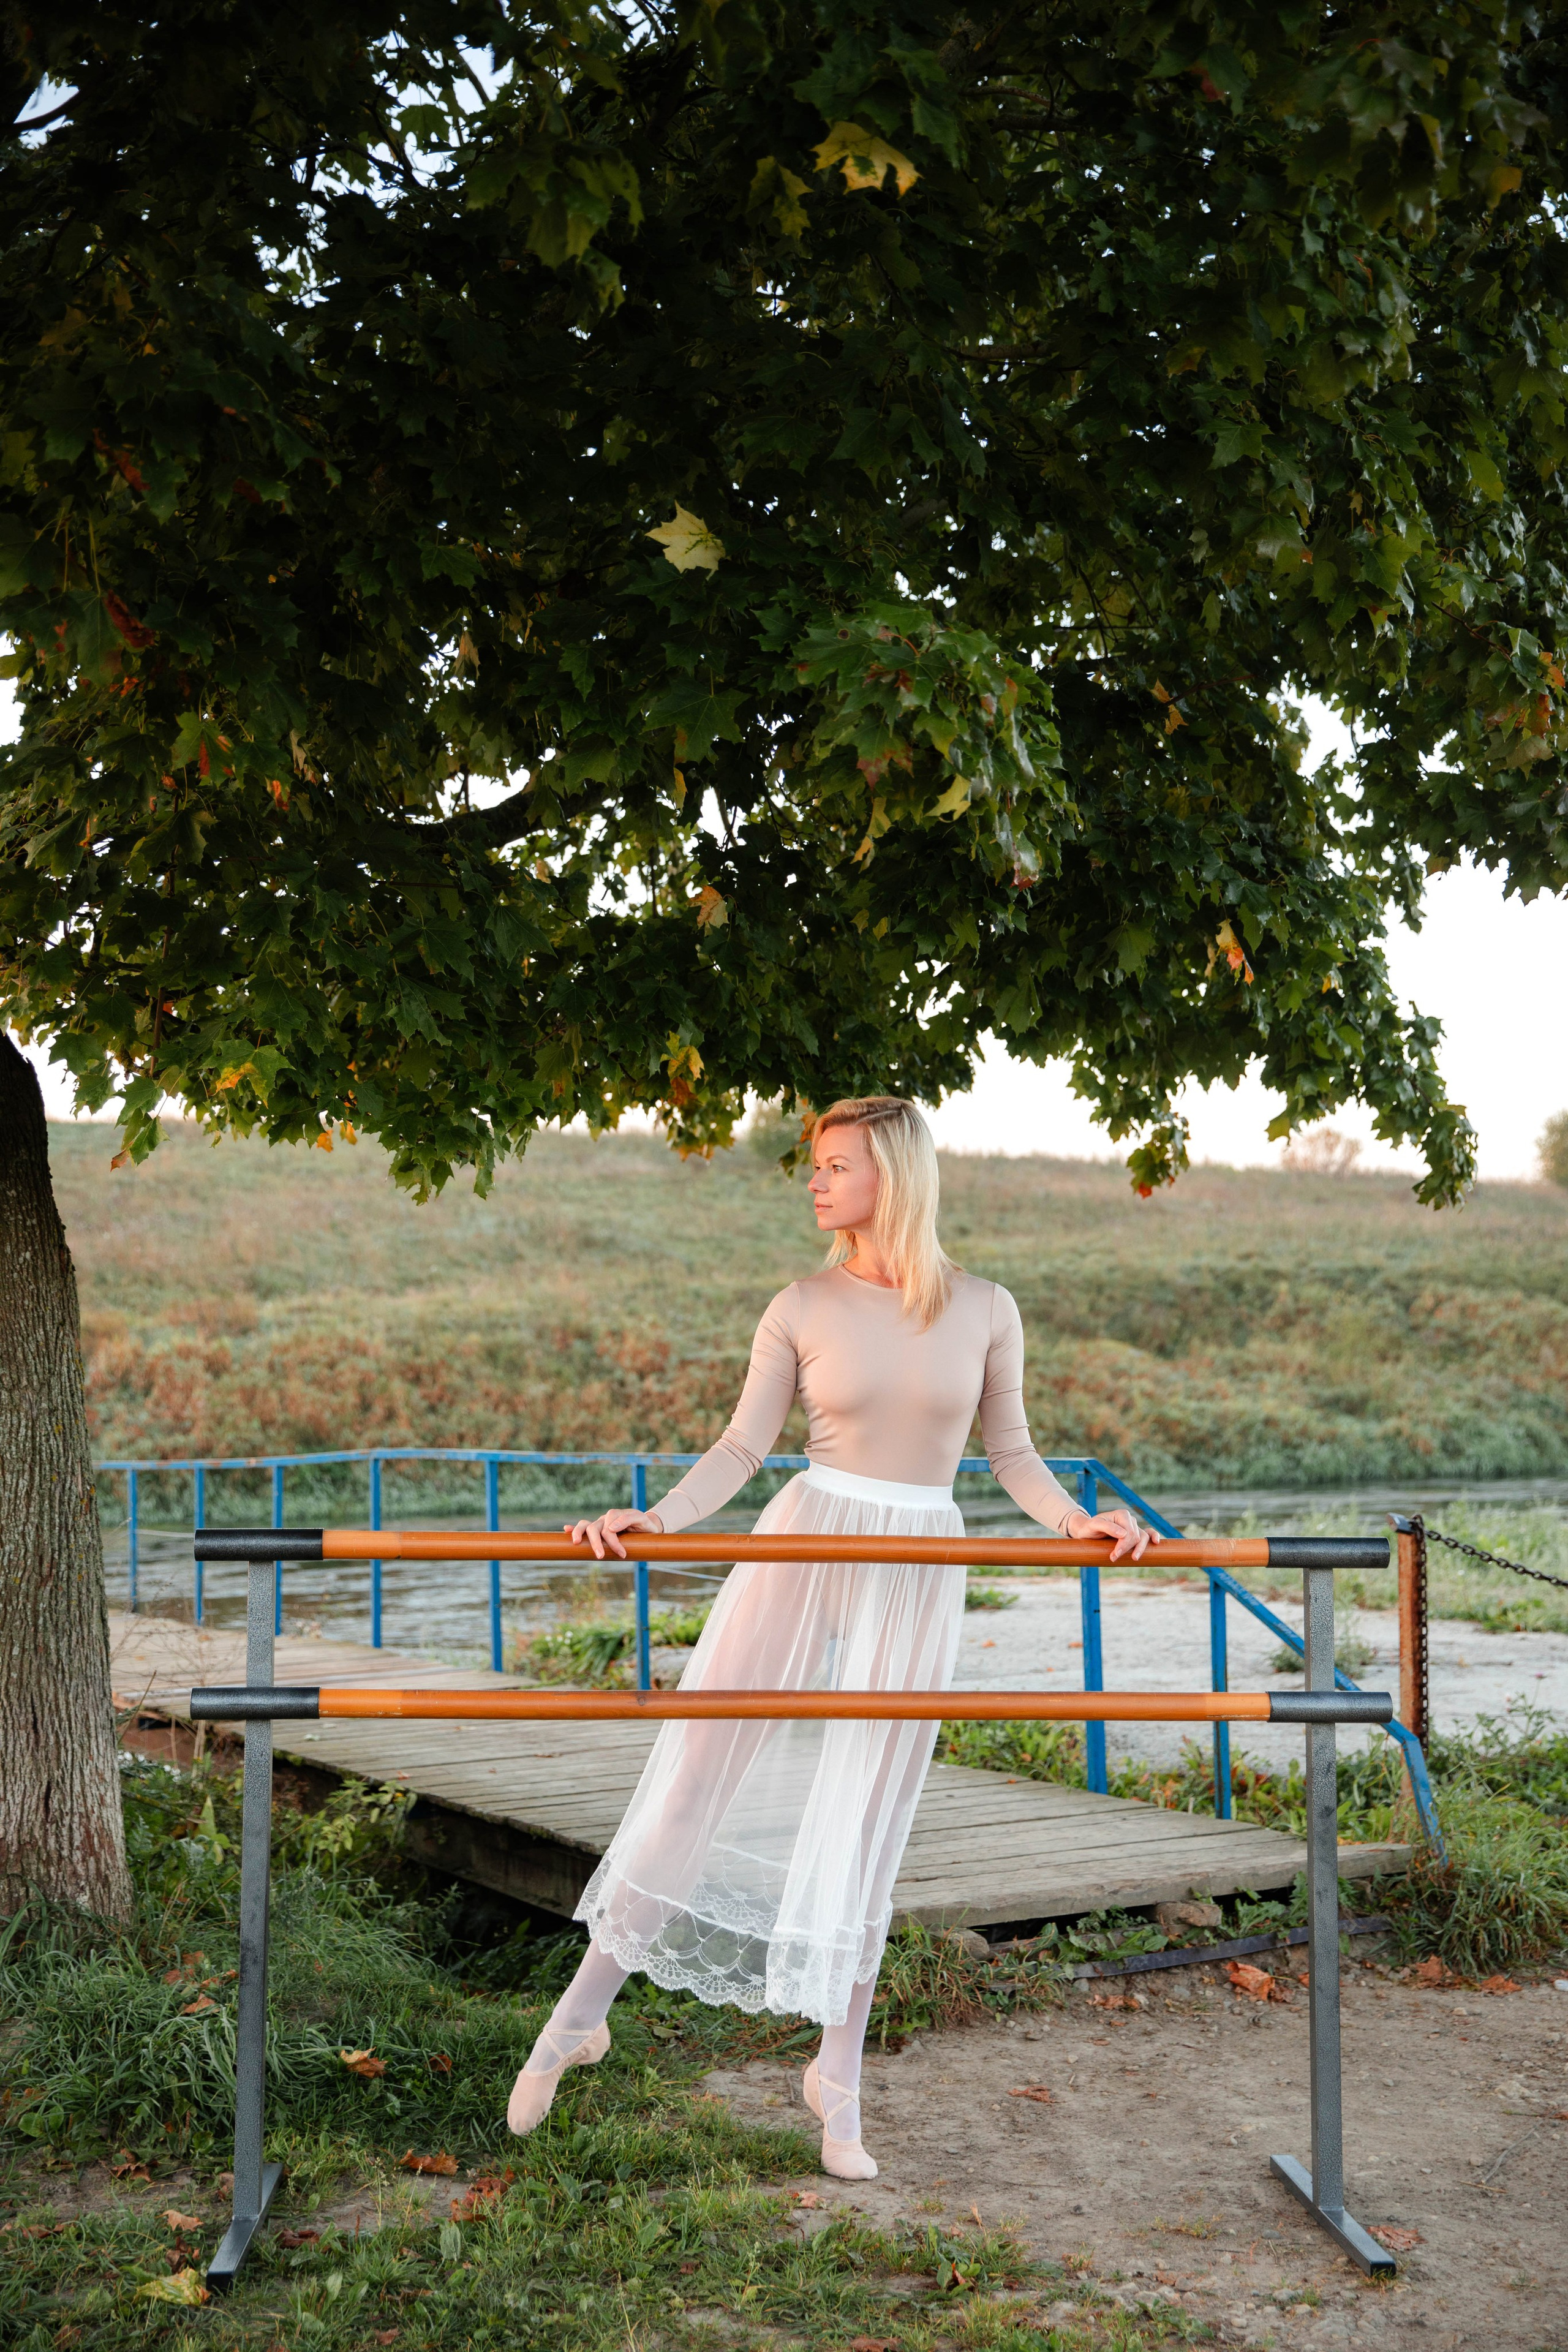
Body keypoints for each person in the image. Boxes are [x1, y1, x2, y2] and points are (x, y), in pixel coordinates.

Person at [506, 1095, 1158, 2176]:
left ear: (890, 1176)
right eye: (814, 1164)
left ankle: (837, 2079)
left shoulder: (987, 1308)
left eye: (835, 1164)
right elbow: (740, 1447)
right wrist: (656, 1519)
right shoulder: (801, 1304)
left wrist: (1074, 1521)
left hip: (921, 1561)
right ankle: (580, 2017)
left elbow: (1013, 1455)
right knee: (698, 1776)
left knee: (870, 1818)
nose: (814, 1180)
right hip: (807, 1536)